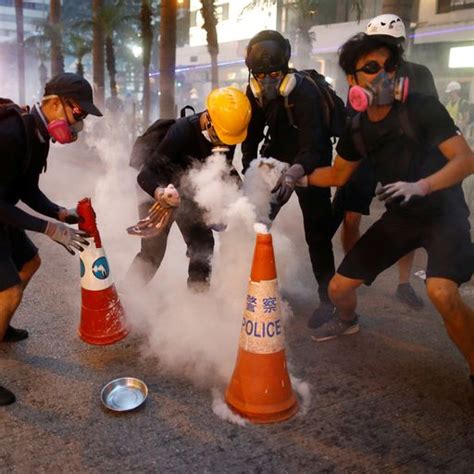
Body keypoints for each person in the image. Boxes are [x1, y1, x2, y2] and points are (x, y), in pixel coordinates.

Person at [304, 32, 474, 383]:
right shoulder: (357, 127)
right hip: (402, 219)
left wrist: (422, 185)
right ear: (352, 79)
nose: (385, 75)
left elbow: (465, 160)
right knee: (338, 290)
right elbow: (338, 174)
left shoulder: (422, 107)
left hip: (444, 214)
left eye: (390, 66)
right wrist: (296, 177)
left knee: (441, 291)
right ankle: (348, 322)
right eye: (371, 67)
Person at [0, 72, 102, 405]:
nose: (79, 123)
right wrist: (48, 229)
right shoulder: (11, 132)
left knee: (30, 262)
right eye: (78, 113)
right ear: (55, 103)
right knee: (9, 288)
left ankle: (2, 327)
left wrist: (60, 213)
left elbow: (26, 189)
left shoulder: (37, 135)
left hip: (4, 211)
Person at [331, 14, 440, 313]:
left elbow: (432, 116)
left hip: (402, 157)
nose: (383, 53)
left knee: (408, 216)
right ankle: (356, 273)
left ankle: (404, 283)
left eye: (390, 46)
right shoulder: (360, 71)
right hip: (366, 151)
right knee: (351, 216)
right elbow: (352, 111)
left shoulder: (419, 73)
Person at [241, 30, 336, 328]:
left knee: (317, 236)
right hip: (275, 161)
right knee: (257, 222)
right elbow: (250, 136)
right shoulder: (253, 92)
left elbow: (315, 144)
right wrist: (250, 171)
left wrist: (295, 174)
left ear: (285, 70)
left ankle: (328, 301)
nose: (267, 80)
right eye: (260, 74)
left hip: (312, 164)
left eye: (273, 73)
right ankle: (252, 289)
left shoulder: (305, 91)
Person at [124, 86, 251, 291]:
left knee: (203, 246)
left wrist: (238, 196)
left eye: (229, 141)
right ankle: (123, 298)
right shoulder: (182, 132)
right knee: (152, 253)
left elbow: (222, 169)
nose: (225, 144)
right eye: (221, 138)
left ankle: (197, 303)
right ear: (208, 119)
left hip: (189, 192)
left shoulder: (227, 132)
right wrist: (160, 193)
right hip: (157, 188)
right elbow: (145, 175)